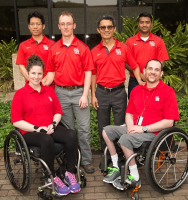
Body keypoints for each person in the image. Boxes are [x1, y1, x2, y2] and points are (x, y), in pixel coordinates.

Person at [101, 59, 179, 190]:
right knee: (106, 131)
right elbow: (129, 113)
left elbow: (169, 121)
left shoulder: (168, 92)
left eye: (156, 70)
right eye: (150, 69)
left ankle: (135, 177)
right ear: (144, 71)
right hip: (135, 127)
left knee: (125, 140)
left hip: (154, 132)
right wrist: (131, 127)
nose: (152, 72)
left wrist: (143, 128)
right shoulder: (136, 90)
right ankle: (115, 166)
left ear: (161, 73)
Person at [11, 55, 80, 196]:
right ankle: (52, 176)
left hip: (49, 127)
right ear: (28, 73)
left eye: (39, 73)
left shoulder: (49, 91)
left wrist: (54, 124)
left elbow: (58, 112)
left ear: (43, 74)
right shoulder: (20, 94)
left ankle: (69, 172)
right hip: (29, 132)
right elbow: (16, 121)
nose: (36, 77)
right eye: (33, 73)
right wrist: (37, 129)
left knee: (71, 134)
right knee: (46, 139)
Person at [42, 11, 95, 174]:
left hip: (79, 92)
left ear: (74, 25)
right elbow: (50, 73)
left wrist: (85, 94)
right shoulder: (53, 49)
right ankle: (72, 159)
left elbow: (88, 72)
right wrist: (40, 82)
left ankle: (86, 160)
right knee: (68, 132)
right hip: (61, 93)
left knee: (84, 129)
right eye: (62, 24)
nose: (66, 26)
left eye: (69, 23)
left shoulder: (83, 48)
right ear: (59, 26)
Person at [91, 14, 143, 151]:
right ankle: (106, 155)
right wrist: (93, 95)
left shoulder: (124, 48)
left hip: (119, 92)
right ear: (98, 30)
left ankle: (120, 154)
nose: (106, 29)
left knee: (120, 126)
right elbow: (93, 74)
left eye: (109, 27)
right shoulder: (94, 51)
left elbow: (134, 66)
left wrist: (139, 82)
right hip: (101, 92)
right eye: (103, 27)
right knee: (103, 126)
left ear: (114, 29)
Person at [125, 12, 169, 98]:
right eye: (141, 22)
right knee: (134, 107)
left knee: (154, 107)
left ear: (151, 24)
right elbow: (126, 63)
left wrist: (150, 74)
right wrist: (140, 75)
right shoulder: (130, 41)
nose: (144, 25)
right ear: (138, 24)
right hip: (134, 80)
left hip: (154, 79)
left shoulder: (158, 41)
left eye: (147, 22)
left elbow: (162, 62)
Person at [16, 11, 55, 82]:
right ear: (28, 26)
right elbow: (21, 66)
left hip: (48, 86)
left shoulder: (52, 45)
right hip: (30, 87)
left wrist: (43, 82)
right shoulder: (23, 45)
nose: (35, 27)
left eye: (38, 24)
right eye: (32, 24)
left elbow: (54, 67)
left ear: (43, 26)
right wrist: (32, 81)